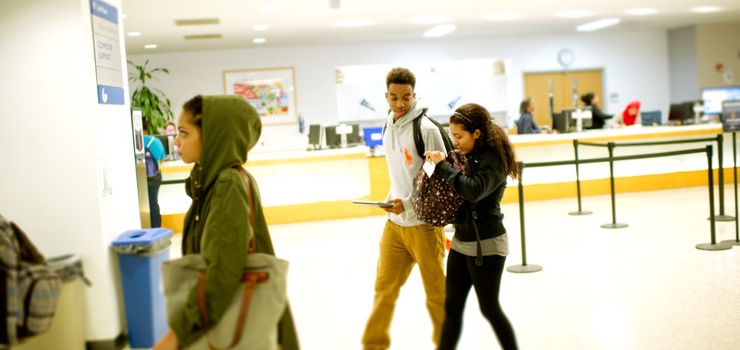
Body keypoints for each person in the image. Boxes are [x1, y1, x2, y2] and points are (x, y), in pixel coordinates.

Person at [153, 95, 299, 350]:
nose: (176, 141)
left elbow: (221, 270)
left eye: (184, 133)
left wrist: (178, 335)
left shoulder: (226, 184)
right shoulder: (208, 182)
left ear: (211, 136)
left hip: (230, 321)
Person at [362, 68, 448, 350]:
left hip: (423, 226)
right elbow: (399, 173)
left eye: (406, 97)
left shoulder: (427, 129)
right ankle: (374, 344)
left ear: (414, 95)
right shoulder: (387, 125)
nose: (400, 103)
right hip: (394, 225)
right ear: (386, 96)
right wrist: (392, 199)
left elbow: (438, 180)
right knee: (383, 289)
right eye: (395, 97)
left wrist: (409, 203)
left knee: (436, 294)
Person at [425, 103, 520, 350]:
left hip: (487, 244)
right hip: (461, 240)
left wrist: (443, 166)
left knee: (489, 308)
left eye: (459, 136)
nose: (454, 141)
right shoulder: (468, 155)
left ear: (476, 133)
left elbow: (474, 190)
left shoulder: (493, 160)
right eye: (452, 135)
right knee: (452, 308)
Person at [143, 120, 165, 227]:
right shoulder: (156, 141)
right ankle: (156, 227)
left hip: (140, 178)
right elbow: (162, 159)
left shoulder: (135, 142)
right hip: (155, 176)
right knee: (153, 202)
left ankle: (144, 226)